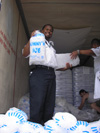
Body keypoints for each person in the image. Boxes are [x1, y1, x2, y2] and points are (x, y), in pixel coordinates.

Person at [22, 24, 71, 125]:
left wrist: (64, 68)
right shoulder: (37, 42)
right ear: (42, 30)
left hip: (51, 74)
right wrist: (31, 38)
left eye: (51, 30)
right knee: (38, 100)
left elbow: (53, 64)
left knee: (49, 102)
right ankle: (35, 126)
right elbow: (25, 53)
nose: (49, 31)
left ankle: (47, 125)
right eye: (46, 29)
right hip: (39, 73)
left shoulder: (51, 47)